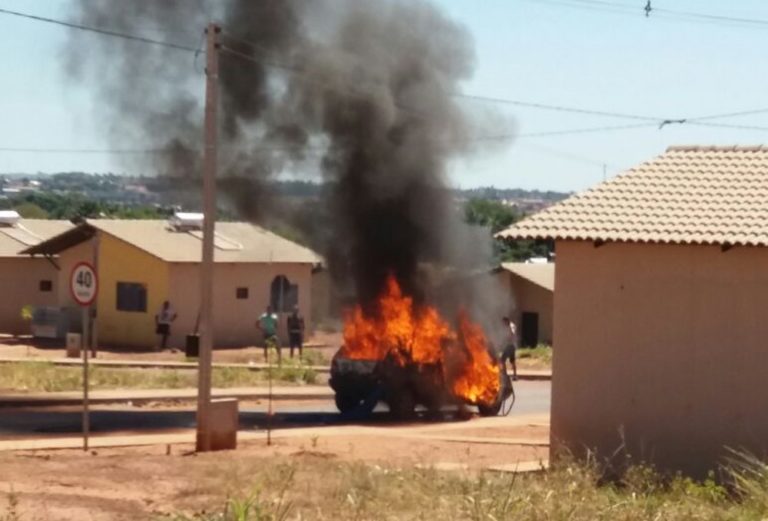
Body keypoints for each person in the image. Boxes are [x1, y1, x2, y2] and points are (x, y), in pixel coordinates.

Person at [501, 316, 518, 381]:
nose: (503, 324)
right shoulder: (508, 326)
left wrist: (508, 337)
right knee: (512, 361)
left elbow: (512, 334)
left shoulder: (511, 326)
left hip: (510, 346)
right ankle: (515, 375)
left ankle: (505, 375)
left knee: (502, 360)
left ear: (507, 321)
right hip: (511, 346)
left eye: (504, 322)